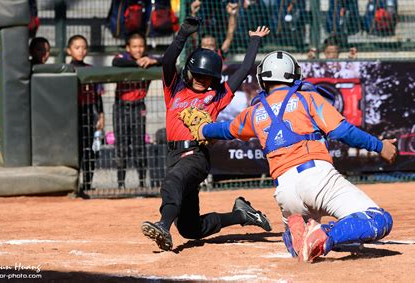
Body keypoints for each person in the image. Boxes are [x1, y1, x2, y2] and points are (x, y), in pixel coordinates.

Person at [183, 50, 397, 262]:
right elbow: (343, 132)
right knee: (379, 219)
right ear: (295, 76)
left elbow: (224, 129)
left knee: (307, 246)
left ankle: (295, 234)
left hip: (285, 192)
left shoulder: (254, 111)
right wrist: (380, 146)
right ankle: (325, 234)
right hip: (316, 178)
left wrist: (203, 130)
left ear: (262, 79)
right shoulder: (308, 99)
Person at [140, 17, 271, 251]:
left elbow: (242, 70)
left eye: (208, 77)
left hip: (195, 155)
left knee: (173, 181)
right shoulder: (175, 90)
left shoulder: (216, 96)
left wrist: (255, 41)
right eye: (199, 75)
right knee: (191, 229)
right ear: (189, 73)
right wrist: (183, 34)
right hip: (173, 155)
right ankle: (241, 215)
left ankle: (162, 225)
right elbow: (169, 61)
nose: (202, 80)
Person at [112, 32, 162, 188]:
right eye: (134, 46)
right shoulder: (123, 58)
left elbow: (165, 60)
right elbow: (116, 62)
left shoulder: (149, 59)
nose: (138, 50)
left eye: (141, 46)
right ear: (128, 48)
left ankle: (142, 183)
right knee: (121, 146)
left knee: (139, 145)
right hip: (121, 107)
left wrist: (152, 61)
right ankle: (121, 184)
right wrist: (137, 64)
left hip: (138, 107)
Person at [67, 34, 105, 193]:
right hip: (71, 114)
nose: (81, 50)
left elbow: (98, 96)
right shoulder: (66, 70)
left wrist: (101, 115)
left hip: (89, 112)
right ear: (69, 50)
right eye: (77, 47)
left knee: (90, 150)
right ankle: (72, 185)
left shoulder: (91, 70)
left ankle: (87, 183)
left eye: (84, 47)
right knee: (74, 150)